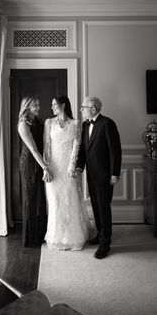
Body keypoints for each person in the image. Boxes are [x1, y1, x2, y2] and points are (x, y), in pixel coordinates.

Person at [43, 96, 91, 251]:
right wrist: (46, 168)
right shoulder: (49, 123)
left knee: (71, 200)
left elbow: (77, 145)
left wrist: (72, 166)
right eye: (52, 105)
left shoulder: (76, 124)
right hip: (54, 168)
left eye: (54, 104)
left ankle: (72, 238)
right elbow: (47, 147)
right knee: (55, 202)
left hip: (68, 169)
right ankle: (57, 238)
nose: (52, 108)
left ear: (63, 105)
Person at [77, 96, 122, 259]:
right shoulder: (84, 125)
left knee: (104, 208)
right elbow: (83, 150)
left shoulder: (108, 124)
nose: (81, 110)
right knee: (96, 207)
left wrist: (114, 173)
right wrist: (79, 166)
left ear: (93, 109)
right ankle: (100, 234)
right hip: (91, 175)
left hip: (105, 176)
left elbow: (114, 151)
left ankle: (106, 243)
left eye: (83, 107)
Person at [18, 96, 52, 247]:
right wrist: (45, 167)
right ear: (27, 107)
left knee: (41, 200)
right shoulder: (23, 125)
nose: (38, 107)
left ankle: (42, 234)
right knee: (29, 200)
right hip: (29, 163)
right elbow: (33, 149)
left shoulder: (39, 122)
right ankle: (30, 238)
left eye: (38, 104)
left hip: (40, 161)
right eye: (35, 106)